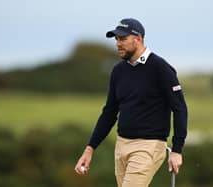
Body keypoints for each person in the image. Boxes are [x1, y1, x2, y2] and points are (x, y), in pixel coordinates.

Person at [74, 18, 188, 187]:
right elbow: (109, 112)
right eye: (116, 39)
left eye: (123, 39)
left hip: (148, 146)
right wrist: (89, 149)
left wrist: (177, 150)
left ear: (138, 39)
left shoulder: (160, 68)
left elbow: (179, 108)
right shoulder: (118, 70)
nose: (118, 44)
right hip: (121, 145)